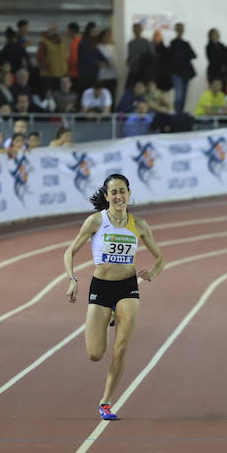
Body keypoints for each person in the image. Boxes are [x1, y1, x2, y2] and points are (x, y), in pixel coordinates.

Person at [63, 173, 165, 420]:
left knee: (121, 349)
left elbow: (160, 258)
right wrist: (72, 279)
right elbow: (70, 251)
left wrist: (153, 271)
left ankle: (106, 402)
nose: (119, 196)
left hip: (127, 287)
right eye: (114, 192)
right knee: (95, 354)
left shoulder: (139, 224)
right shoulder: (95, 221)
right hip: (101, 287)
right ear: (107, 196)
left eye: (123, 191)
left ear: (129, 194)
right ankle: (108, 317)